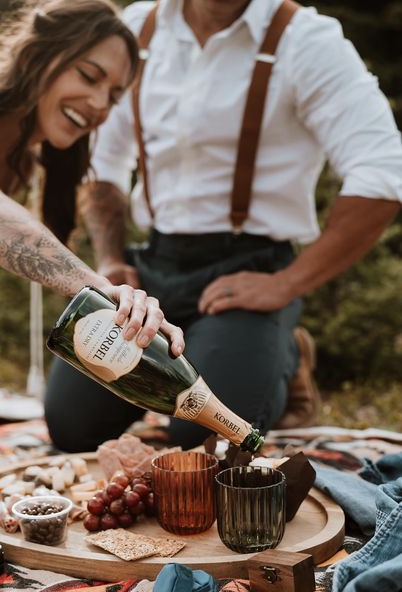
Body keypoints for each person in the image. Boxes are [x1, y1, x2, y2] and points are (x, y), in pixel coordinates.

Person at [44, 0, 402, 453]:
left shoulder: (306, 40)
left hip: (250, 271)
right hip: (153, 267)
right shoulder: (136, 30)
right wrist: (112, 257)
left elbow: (383, 173)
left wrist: (285, 284)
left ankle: (285, 354)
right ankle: (232, 352)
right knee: (71, 428)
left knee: (206, 437)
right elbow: (104, 164)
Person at [0, 0, 184, 462]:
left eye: (114, 95)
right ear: (40, 54)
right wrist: (107, 292)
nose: (100, 105)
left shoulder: (23, 160)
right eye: (89, 77)